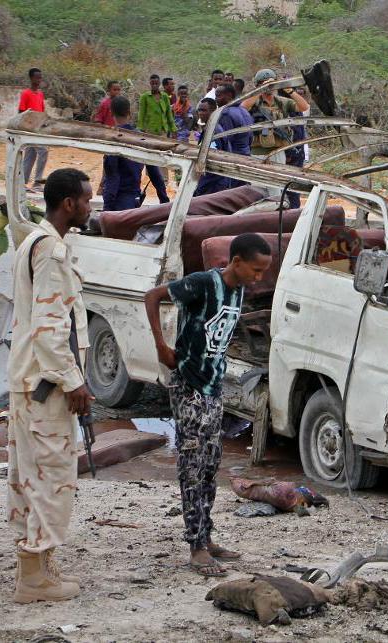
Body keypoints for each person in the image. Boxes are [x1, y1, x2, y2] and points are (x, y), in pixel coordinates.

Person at [144, 233, 273, 577]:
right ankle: (196, 546)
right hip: (188, 385)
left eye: (263, 272)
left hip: (213, 388)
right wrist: (161, 346)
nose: (258, 278)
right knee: (192, 464)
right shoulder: (203, 284)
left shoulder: (239, 289)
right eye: (255, 270)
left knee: (210, 464)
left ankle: (206, 536)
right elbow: (153, 297)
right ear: (237, 262)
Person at [7, 168, 94, 602]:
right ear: (68, 204)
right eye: (87, 200)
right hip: (45, 387)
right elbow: (50, 330)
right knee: (51, 478)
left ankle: (35, 567)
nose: (90, 206)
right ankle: (35, 578)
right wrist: (75, 382)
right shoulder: (52, 252)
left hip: (27, 383)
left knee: (29, 477)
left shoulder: (33, 242)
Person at [242, 68, 310, 205]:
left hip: (278, 152)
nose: (269, 87)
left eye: (271, 83)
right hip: (257, 152)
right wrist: (260, 90)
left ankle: (276, 213)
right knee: (257, 187)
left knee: (277, 188)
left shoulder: (282, 102)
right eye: (263, 83)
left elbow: (304, 107)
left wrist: (289, 90)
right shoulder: (255, 101)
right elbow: (243, 107)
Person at [102, 97, 145, 211]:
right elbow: (154, 173)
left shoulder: (113, 138)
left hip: (119, 202)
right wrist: (164, 200)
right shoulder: (141, 137)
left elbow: (112, 177)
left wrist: (107, 208)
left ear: (111, 113)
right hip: (135, 199)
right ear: (129, 112)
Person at [137, 74, 175, 203]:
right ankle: (151, 179)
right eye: (152, 83)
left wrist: (173, 129)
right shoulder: (145, 97)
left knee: (163, 156)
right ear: (150, 83)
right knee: (150, 157)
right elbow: (141, 115)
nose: (154, 85)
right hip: (149, 133)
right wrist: (141, 130)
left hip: (163, 132)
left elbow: (169, 115)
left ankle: (163, 181)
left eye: (156, 83)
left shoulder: (164, 97)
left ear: (159, 84)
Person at [192, 98, 233, 196]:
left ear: (213, 112)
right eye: (199, 110)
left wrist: (200, 187)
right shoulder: (209, 128)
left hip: (214, 184)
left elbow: (212, 161)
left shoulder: (213, 132)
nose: (200, 113)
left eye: (204, 110)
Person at [19, 68, 48, 191]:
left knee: (30, 155)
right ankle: (37, 182)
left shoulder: (40, 93)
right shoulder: (26, 93)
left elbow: (41, 111)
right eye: (37, 77)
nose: (39, 80)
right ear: (31, 78)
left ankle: (22, 183)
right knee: (43, 151)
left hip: (38, 128)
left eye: (40, 77)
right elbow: (21, 111)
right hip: (31, 128)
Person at [214, 83, 254, 156]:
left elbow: (226, 140)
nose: (215, 99)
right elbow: (250, 137)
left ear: (229, 95)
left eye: (218, 96)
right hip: (247, 154)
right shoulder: (244, 111)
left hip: (234, 156)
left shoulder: (226, 113)